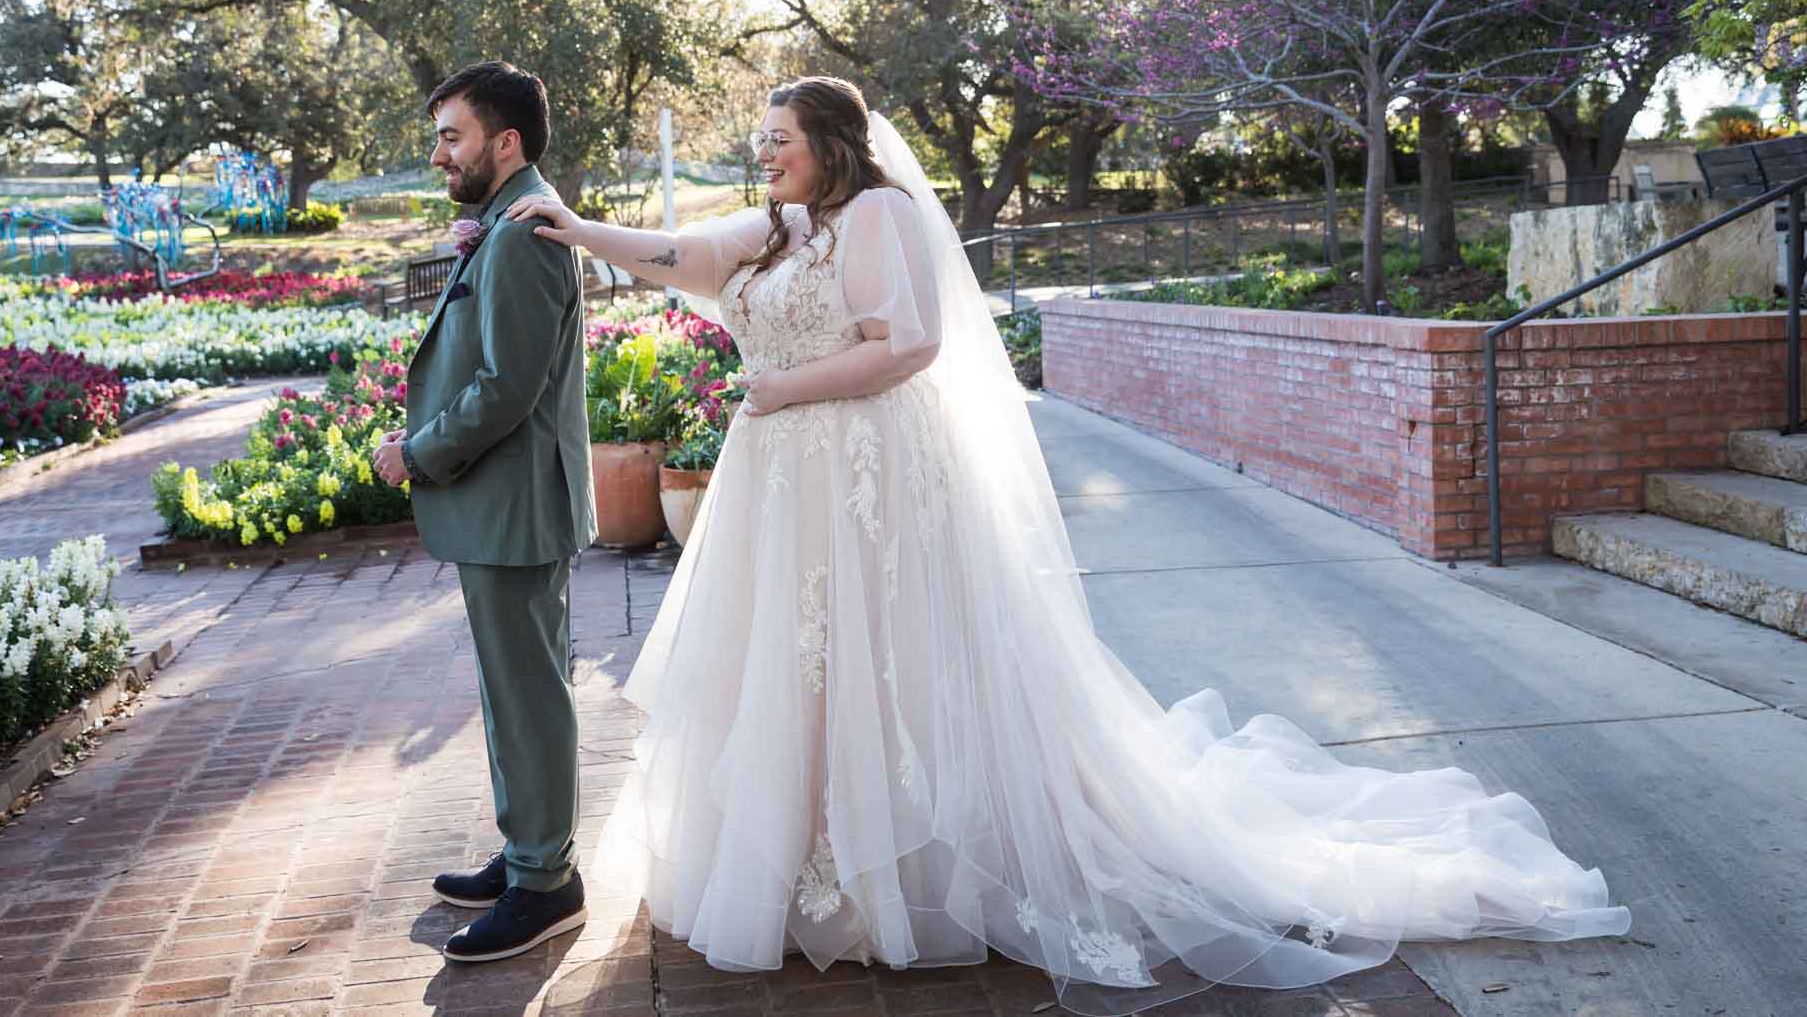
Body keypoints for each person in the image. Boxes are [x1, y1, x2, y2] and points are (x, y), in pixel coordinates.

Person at [504, 75, 1629, 1013]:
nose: (765, 158)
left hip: (866, 481)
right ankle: (814, 868)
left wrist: (776, 389)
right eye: (759, 144)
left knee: (884, 664)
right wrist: (575, 228)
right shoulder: (783, 227)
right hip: (788, 486)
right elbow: (677, 254)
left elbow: (910, 345)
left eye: (780, 141)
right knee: (800, 672)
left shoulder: (880, 218)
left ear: (833, 144)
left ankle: (913, 876)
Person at [371, 60, 597, 964]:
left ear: (505, 142)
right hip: (500, 505)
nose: (438, 154)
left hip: (516, 504)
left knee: (530, 695)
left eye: (452, 136)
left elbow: (508, 387)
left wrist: (416, 452)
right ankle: (527, 853)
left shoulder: (522, 231)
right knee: (510, 693)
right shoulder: (507, 220)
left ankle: (548, 884)